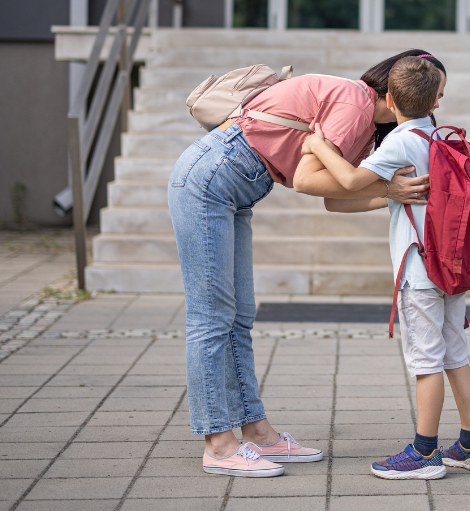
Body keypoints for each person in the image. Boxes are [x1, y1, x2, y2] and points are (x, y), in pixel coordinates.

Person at [167, 50, 445, 478]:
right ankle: (219, 444)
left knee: (238, 316)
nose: (435, 105)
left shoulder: (366, 129)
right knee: (211, 318)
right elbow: (304, 181)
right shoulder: (353, 104)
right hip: (211, 178)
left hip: (233, 188)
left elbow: (334, 198)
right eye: (434, 95)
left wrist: (389, 194)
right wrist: (387, 189)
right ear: (394, 93)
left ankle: (257, 432)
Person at [303, 54, 470, 481]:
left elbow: (349, 184)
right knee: (455, 356)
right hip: (450, 267)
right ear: (435, 102)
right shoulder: (438, 136)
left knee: (425, 362)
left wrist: (317, 145)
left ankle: (424, 453)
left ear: (388, 98)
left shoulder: (401, 141)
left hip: (420, 272)